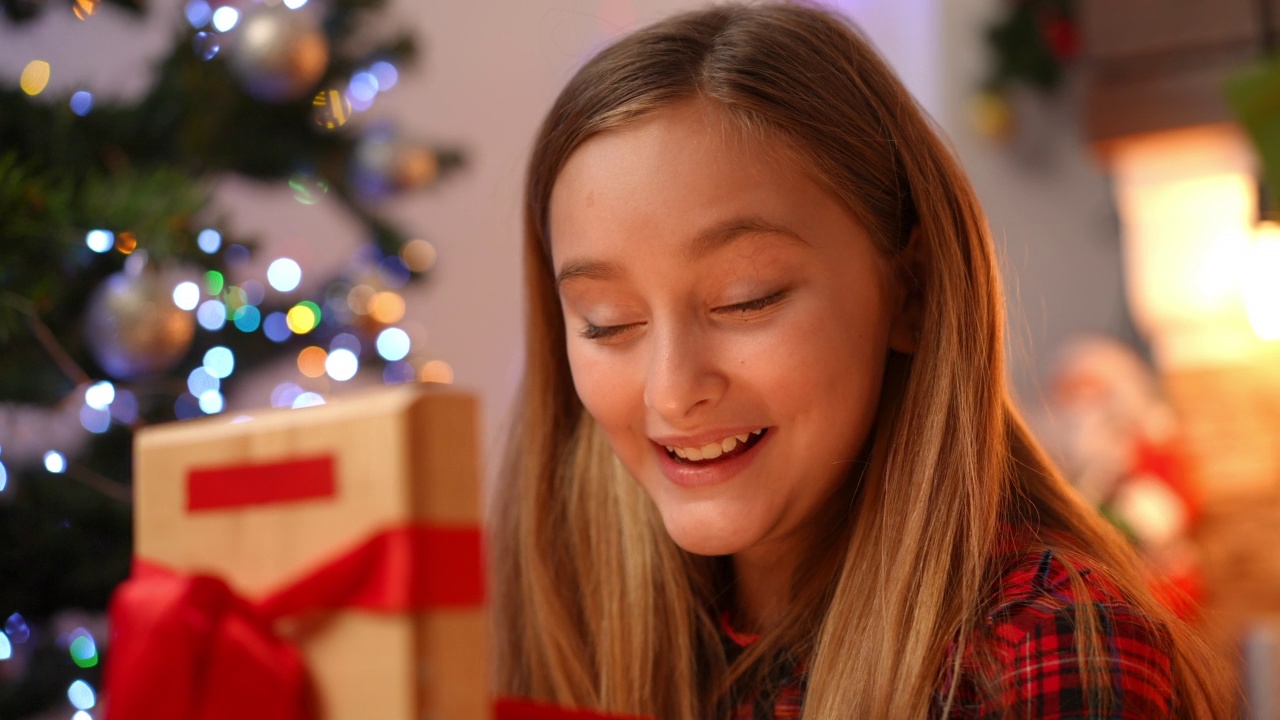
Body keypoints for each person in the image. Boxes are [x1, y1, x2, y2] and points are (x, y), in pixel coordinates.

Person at [490, 3, 1238, 718]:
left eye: (746, 299)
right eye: (607, 323)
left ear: (909, 291)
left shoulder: (1047, 646)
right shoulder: (567, 634)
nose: (673, 390)